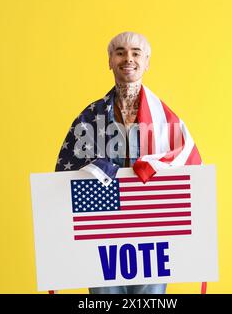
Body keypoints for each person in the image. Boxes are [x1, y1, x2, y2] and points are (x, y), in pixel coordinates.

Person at [54, 31, 205, 294]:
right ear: (109, 61)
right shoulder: (89, 117)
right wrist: (98, 168)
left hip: (151, 226)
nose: (128, 58)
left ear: (147, 62)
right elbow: (65, 171)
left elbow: (188, 162)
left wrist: (149, 167)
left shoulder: (164, 119)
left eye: (136, 53)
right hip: (102, 227)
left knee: (150, 298)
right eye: (120, 52)